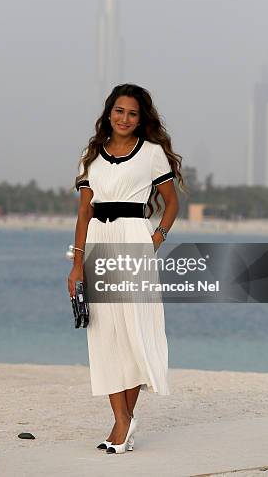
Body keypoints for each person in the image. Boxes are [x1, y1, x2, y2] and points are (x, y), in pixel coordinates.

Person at [68, 83, 183, 454]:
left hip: (135, 239)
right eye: (119, 111)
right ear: (109, 112)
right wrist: (76, 264)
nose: (125, 118)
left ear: (141, 118)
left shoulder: (151, 154)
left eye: (132, 113)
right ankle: (123, 421)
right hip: (98, 244)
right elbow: (84, 212)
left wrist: (157, 237)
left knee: (134, 331)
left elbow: (171, 203)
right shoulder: (91, 156)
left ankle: (122, 422)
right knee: (105, 335)